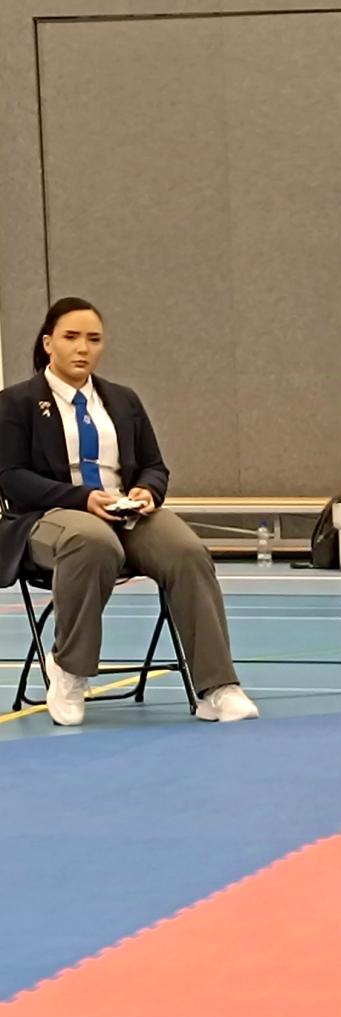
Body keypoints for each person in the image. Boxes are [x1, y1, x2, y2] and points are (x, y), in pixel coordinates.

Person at [0, 298, 259, 727]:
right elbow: (11, 478)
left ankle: (217, 687)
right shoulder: (15, 403)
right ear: (48, 343)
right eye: (71, 337)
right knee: (91, 540)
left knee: (187, 551)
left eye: (93, 339)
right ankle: (69, 669)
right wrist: (82, 498)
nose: (82, 348)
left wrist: (147, 491)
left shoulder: (123, 401)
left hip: (124, 514)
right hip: (48, 518)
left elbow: (155, 466)